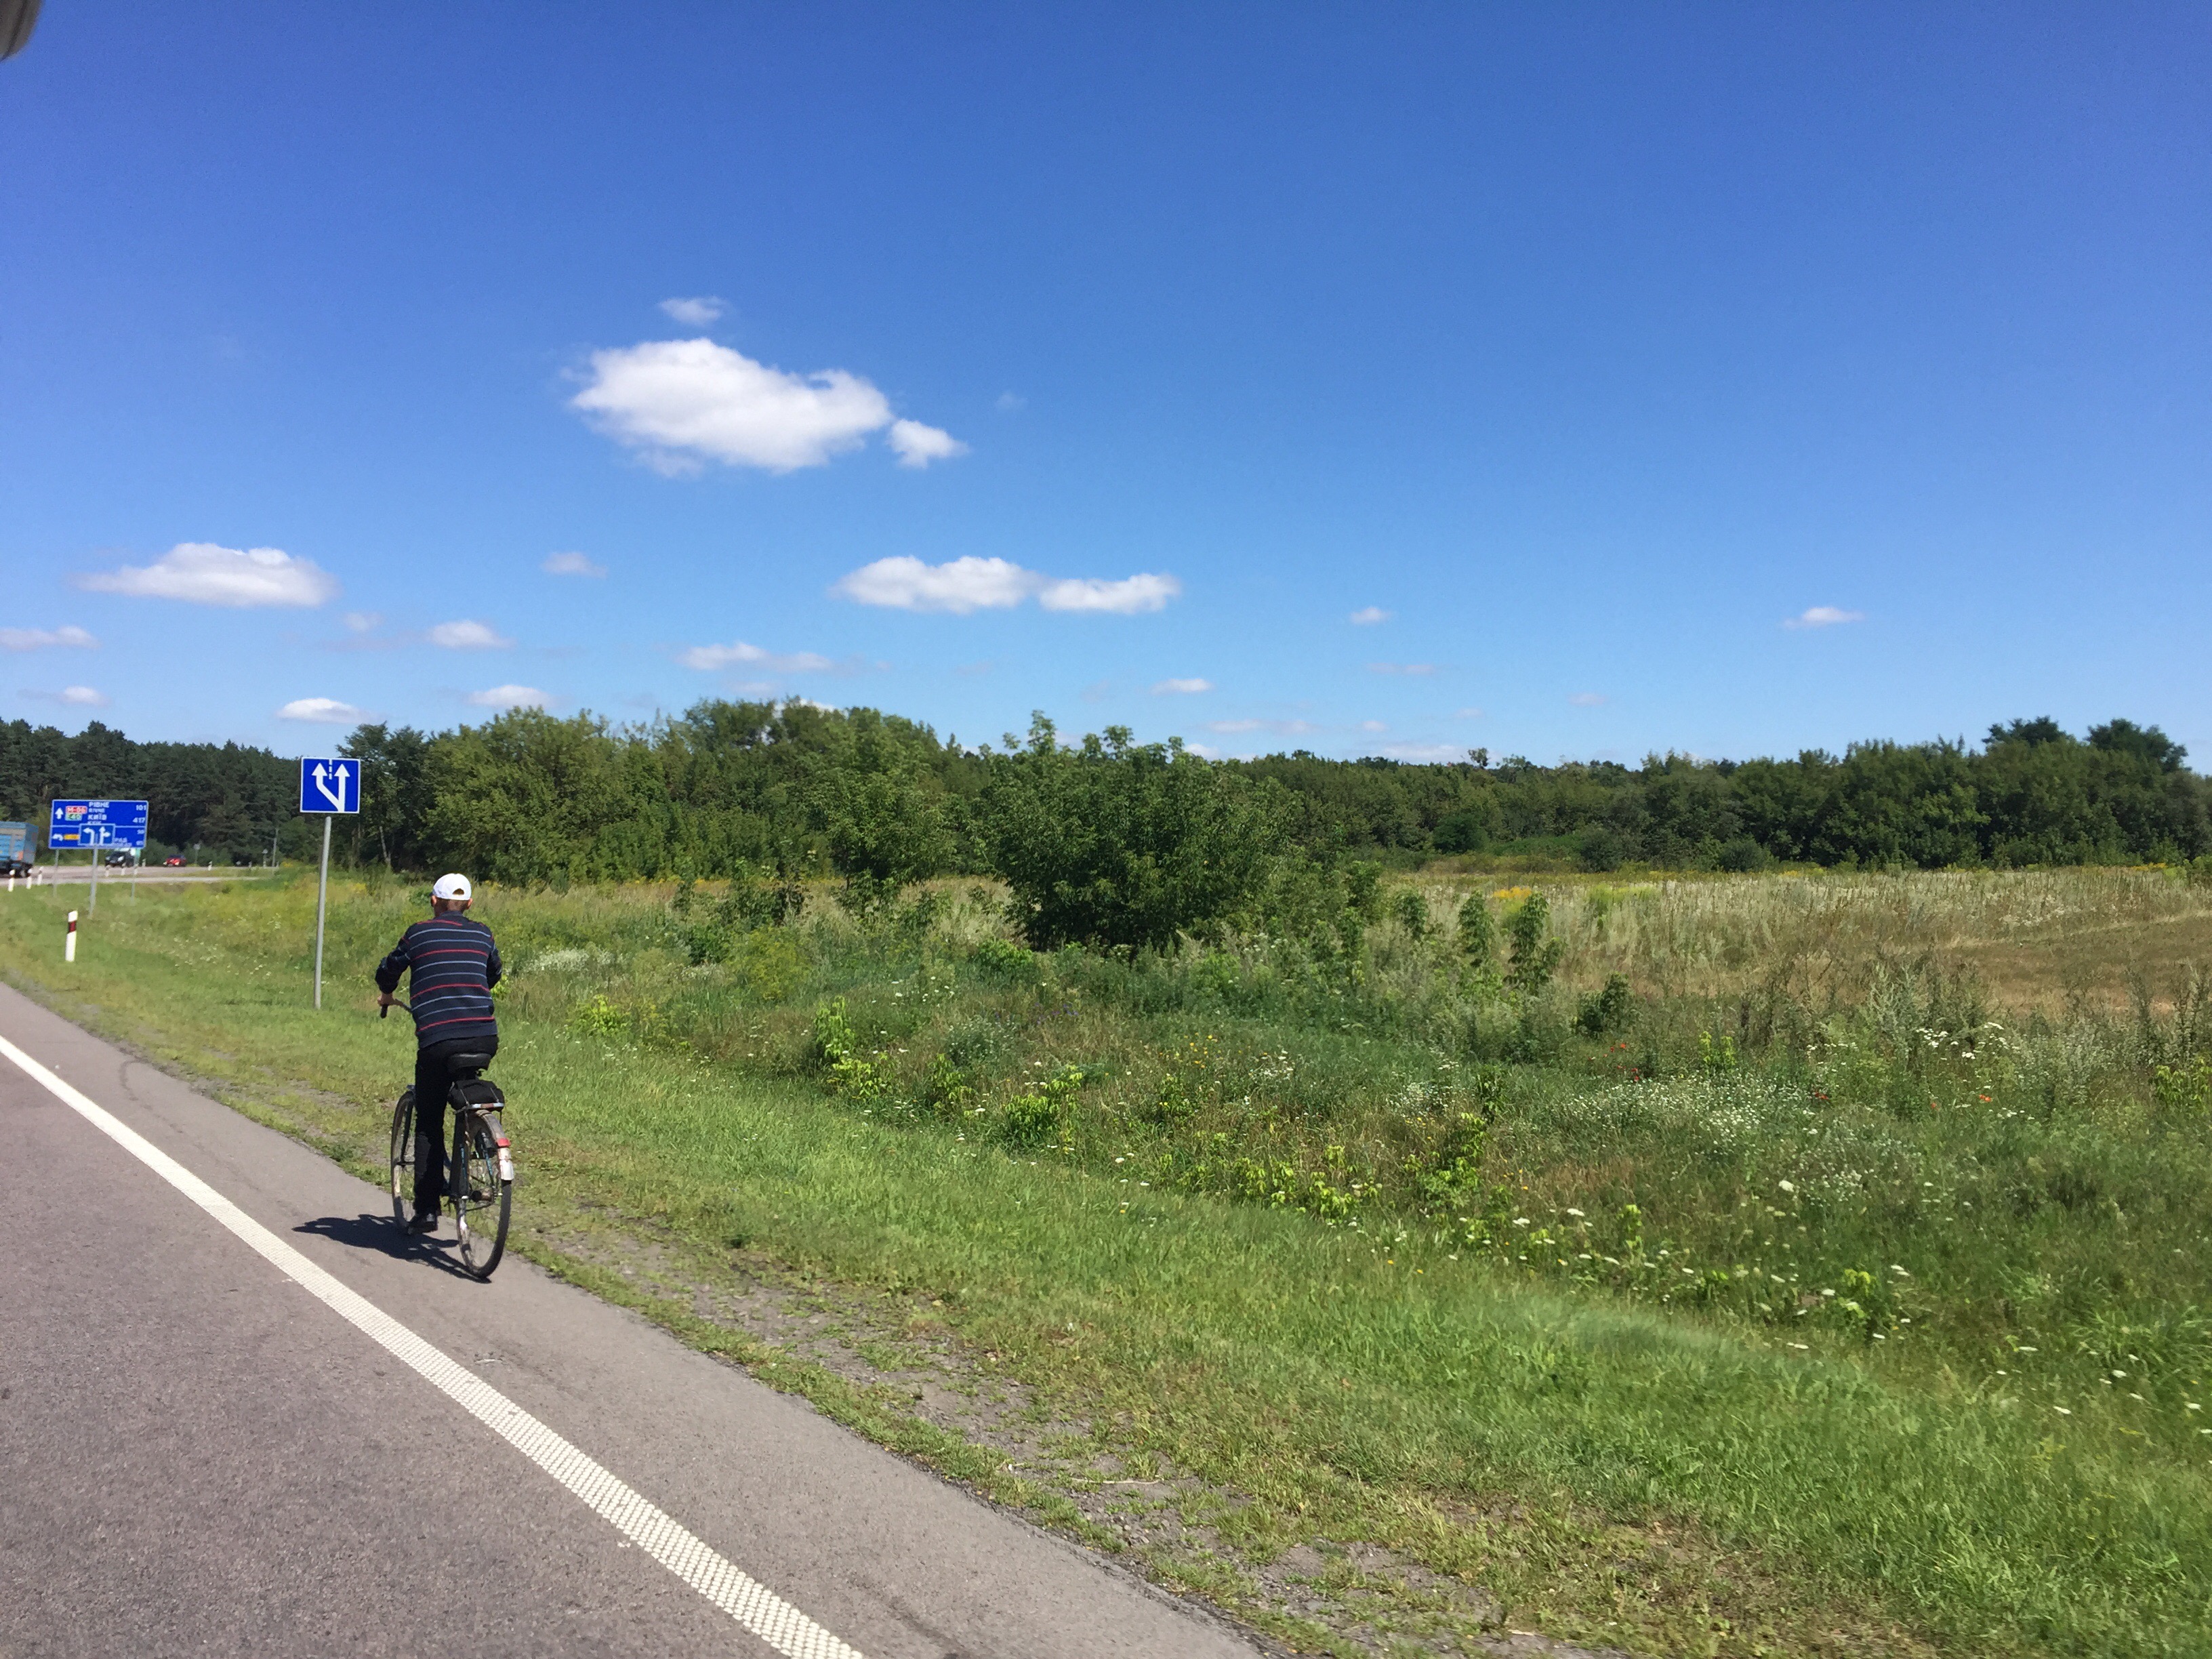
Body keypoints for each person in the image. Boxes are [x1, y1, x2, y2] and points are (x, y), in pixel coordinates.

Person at [376, 873, 501, 1233]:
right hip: (484, 1037)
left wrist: (387, 992)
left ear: (433, 901)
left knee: (429, 1121)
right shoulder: (483, 934)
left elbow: (389, 969)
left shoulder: (418, 933)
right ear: (469, 904)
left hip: (437, 1040)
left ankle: (427, 1210)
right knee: (464, 1091)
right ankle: (479, 1140)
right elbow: (493, 973)